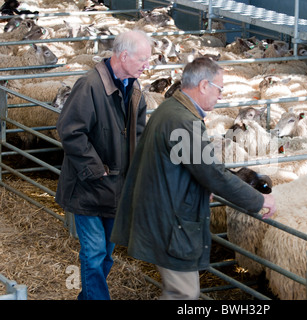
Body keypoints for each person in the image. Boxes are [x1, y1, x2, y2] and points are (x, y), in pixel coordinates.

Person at [111, 57, 277, 300]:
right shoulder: (182, 121)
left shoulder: (171, 110)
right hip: (168, 220)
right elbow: (212, 173)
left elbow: (185, 164)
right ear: (203, 86)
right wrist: (258, 200)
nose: (220, 96)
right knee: (185, 293)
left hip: (161, 212)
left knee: (179, 291)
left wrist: (198, 185)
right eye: (219, 89)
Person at [55, 30, 153, 300]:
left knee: (106, 255)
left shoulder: (135, 91)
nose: (148, 66)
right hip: (88, 186)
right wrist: (96, 170)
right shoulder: (89, 86)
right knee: (95, 252)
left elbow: (139, 137)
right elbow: (70, 131)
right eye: (143, 60)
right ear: (124, 56)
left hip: (117, 190)